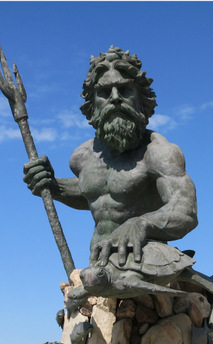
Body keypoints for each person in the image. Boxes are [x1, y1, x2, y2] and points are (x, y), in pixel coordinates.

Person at [23, 46, 197, 269]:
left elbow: (185, 210)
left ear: (141, 99)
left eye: (124, 90)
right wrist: (53, 186)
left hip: (147, 265)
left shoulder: (159, 152)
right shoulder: (82, 157)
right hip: (99, 267)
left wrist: (142, 223)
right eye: (105, 92)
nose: (115, 99)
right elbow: (94, 194)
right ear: (93, 103)